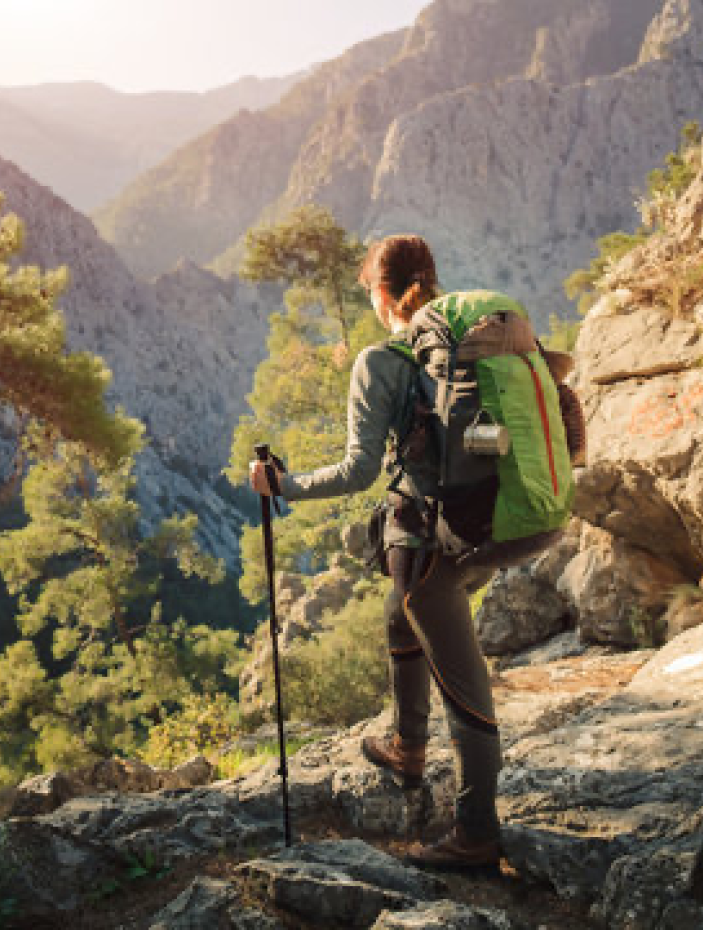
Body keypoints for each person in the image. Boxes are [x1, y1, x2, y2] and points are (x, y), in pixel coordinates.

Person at [249, 234, 504, 870]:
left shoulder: (383, 359)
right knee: (400, 615)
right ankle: (408, 747)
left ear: (383, 293)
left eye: (367, 288)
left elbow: (359, 471)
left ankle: (476, 835)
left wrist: (284, 485)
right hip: (492, 520)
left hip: (432, 535)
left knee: (465, 686)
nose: (367, 298)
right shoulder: (464, 343)